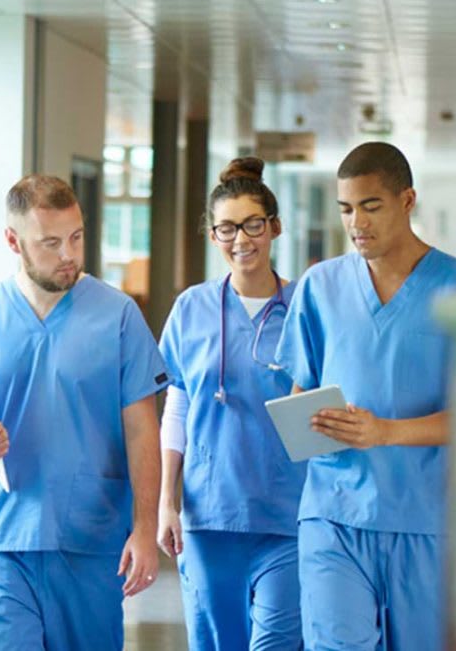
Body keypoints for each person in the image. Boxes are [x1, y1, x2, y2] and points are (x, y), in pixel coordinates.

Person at [274, 142, 456, 650]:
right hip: (333, 514)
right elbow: (301, 389)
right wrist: (308, 423)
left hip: (428, 524)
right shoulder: (320, 287)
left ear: (407, 200)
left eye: (370, 206)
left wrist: (385, 433)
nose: (357, 223)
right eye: (346, 209)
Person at [0, 174, 168, 651]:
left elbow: (143, 431)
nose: (69, 254)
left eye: (76, 237)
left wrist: (145, 530)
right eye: (51, 242)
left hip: (89, 534)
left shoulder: (117, 315)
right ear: (13, 241)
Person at [157, 157, 305, 650]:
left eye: (252, 225)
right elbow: (176, 410)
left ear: (275, 227)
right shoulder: (191, 308)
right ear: (213, 235)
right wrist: (166, 502)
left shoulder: (304, 308)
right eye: (226, 228)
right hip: (209, 516)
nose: (241, 239)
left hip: (288, 513)